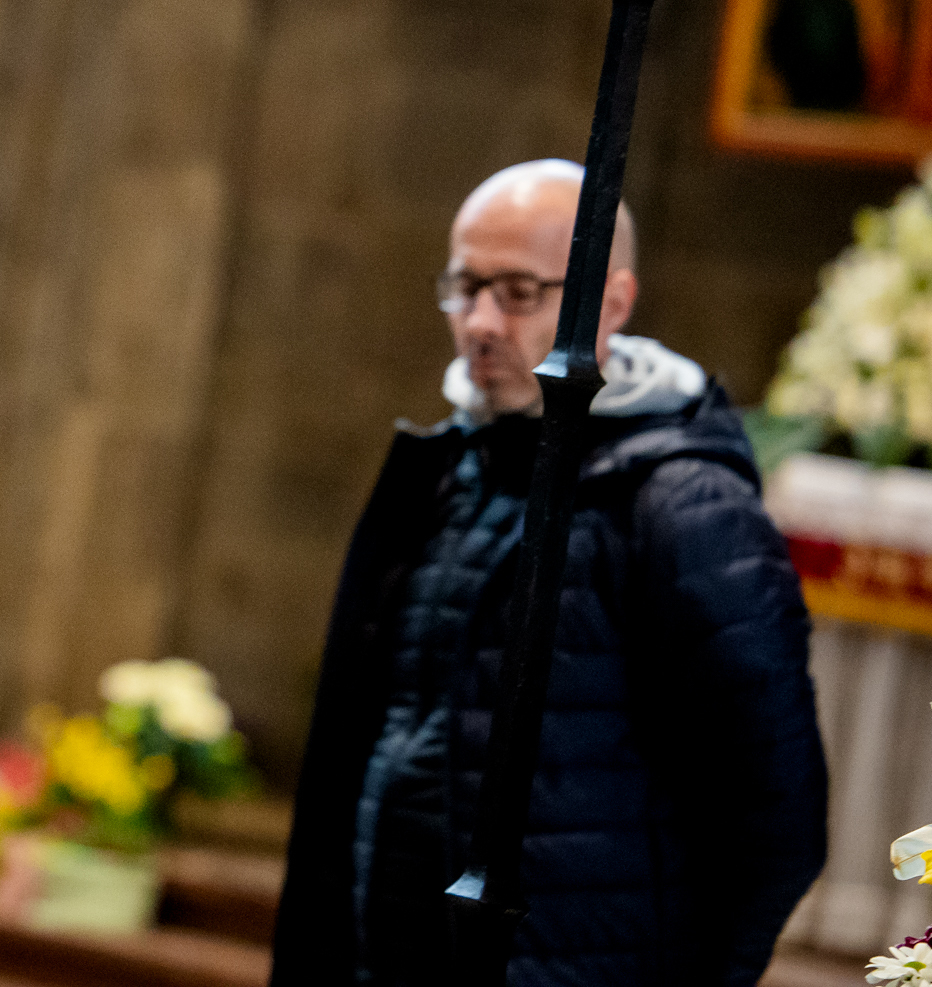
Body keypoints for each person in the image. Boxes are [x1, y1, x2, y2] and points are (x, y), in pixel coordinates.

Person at [271, 160, 827, 987]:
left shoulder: (681, 503)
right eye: (466, 286)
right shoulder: (448, 467)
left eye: (520, 292)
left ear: (612, 303)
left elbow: (778, 809)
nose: (481, 321)